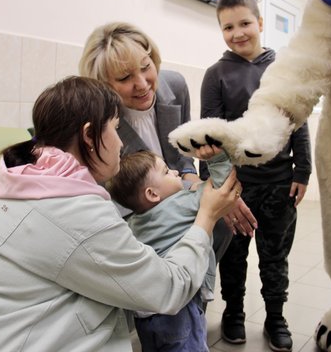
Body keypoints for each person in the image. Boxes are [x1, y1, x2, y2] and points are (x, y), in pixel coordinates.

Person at [0, 76, 241, 352]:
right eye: (114, 128)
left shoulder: (12, 176)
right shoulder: (75, 212)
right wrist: (206, 218)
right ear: (89, 135)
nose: (120, 144)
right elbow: (166, 290)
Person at [77, 22, 257, 256]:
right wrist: (202, 200)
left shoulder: (175, 85)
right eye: (124, 77)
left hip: (172, 186)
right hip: (132, 209)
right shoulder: (99, 119)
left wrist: (204, 190)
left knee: (222, 221)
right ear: (103, 84)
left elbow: (181, 158)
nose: (142, 84)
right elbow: (114, 192)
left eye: (145, 67)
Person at [199, 0, 312, 352]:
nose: (238, 32)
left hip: (279, 185)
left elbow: (298, 123)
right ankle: (233, 313)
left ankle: (275, 317)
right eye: (228, 27)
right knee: (233, 257)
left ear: (260, 23)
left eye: (245, 23)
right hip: (236, 188)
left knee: (274, 257)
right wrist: (220, 188)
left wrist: (303, 171)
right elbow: (211, 136)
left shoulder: (282, 71)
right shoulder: (216, 75)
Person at [109, 145, 232, 352]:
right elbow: (219, 188)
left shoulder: (133, 224)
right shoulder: (183, 203)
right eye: (167, 171)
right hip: (180, 308)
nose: (175, 172)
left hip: (146, 312)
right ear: (152, 194)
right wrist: (217, 158)